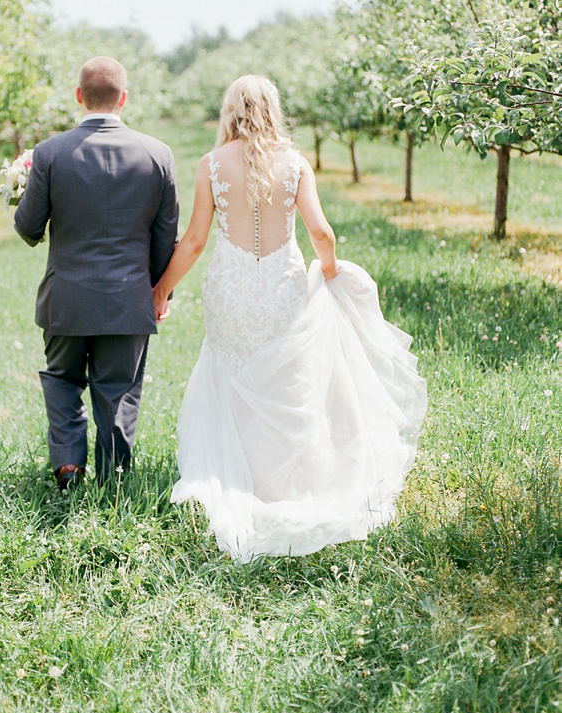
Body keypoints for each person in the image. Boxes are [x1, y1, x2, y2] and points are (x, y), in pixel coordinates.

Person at [153, 75, 427, 561]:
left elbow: (193, 241)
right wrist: (329, 273)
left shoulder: (211, 165)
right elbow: (321, 232)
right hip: (281, 288)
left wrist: (161, 288)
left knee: (232, 373)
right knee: (286, 381)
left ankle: (239, 479)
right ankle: (285, 484)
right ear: (273, 110)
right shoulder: (296, 165)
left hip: (233, 291)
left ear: (229, 112)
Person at [15, 56, 179, 490]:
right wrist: (161, 293)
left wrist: (23, 190)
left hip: (66, 298)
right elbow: (166, 238)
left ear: (78, 96)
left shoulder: (49, 153)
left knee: (62, 379)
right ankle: (114, 479)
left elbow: (29, 229)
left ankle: (69, 466)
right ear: (124, 98)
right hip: (128, 300)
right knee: (118, 390)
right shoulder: (158, 154)